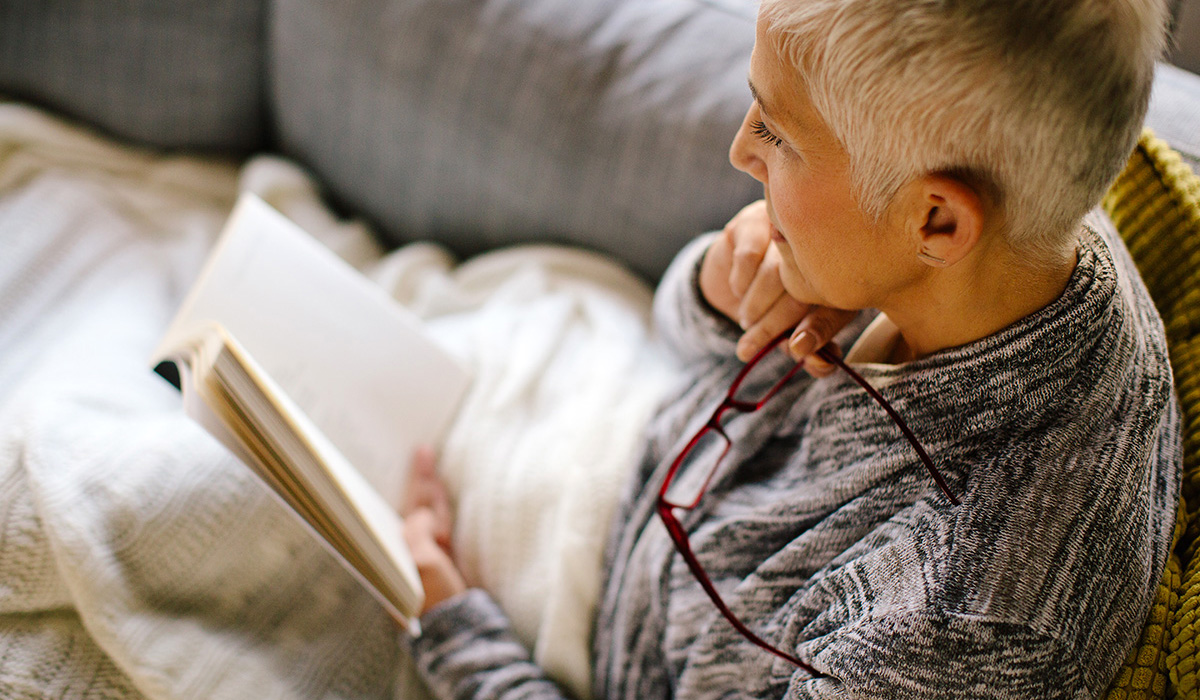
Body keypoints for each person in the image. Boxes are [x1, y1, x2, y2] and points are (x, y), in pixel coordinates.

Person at [398, 0, 1182, 697]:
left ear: (937, 221)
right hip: (628, 443)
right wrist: (722, 288)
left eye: (776, 132)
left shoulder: (954, 632)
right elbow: (692, 340)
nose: (741, 150)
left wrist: (457, 637)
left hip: (560, 626)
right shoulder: (1019, 232)